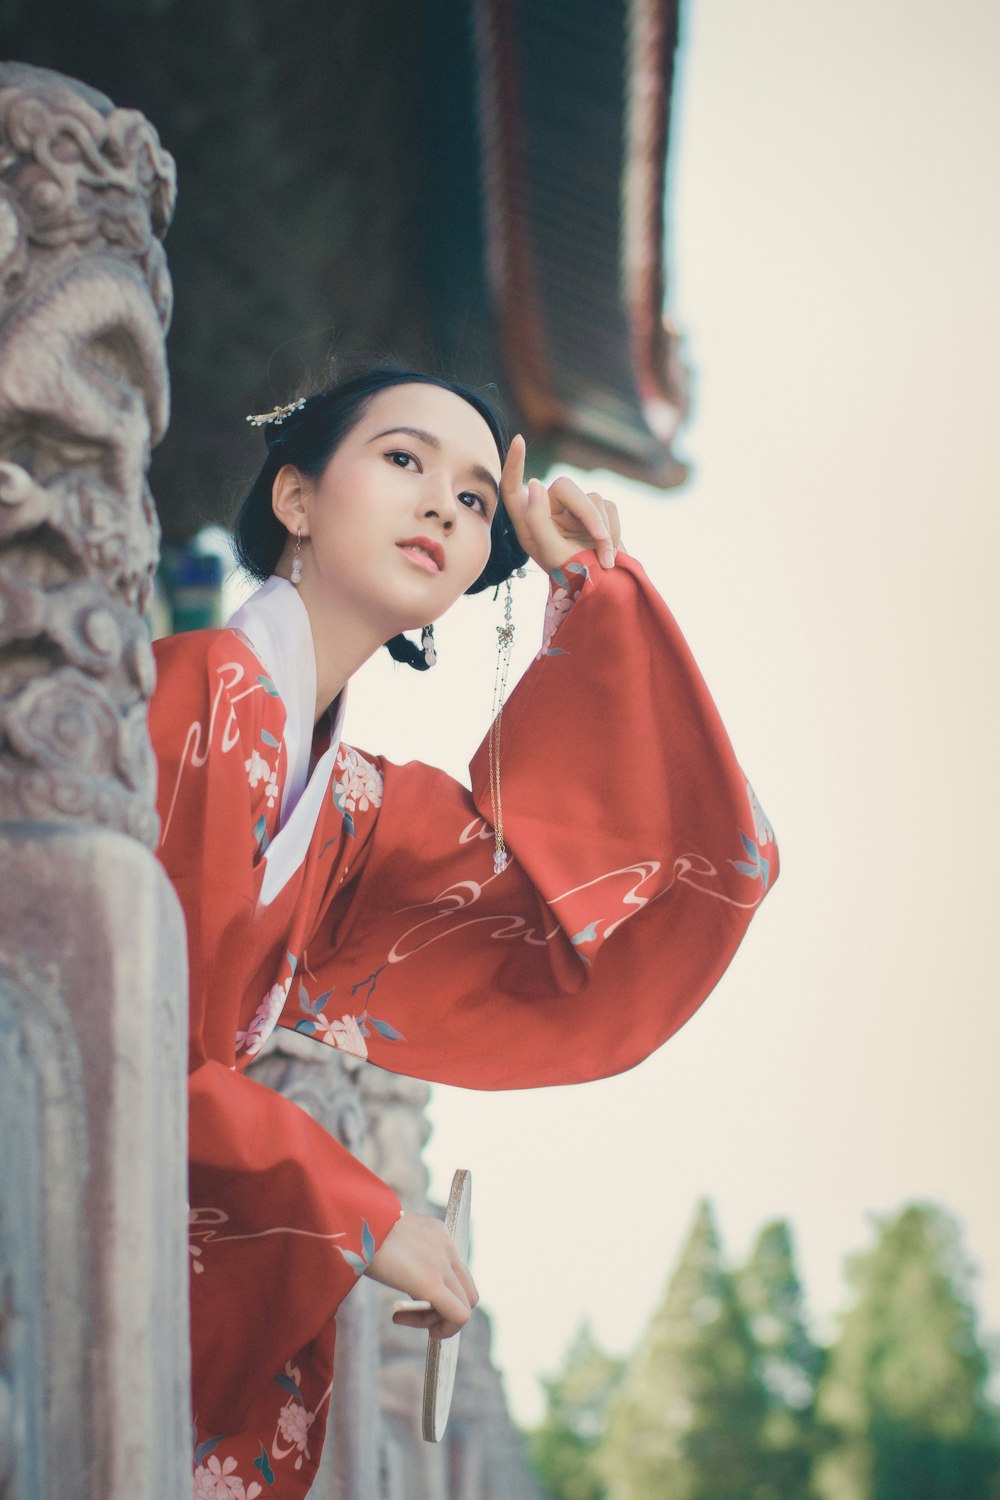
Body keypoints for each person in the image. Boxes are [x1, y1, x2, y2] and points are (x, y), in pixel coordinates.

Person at [150, 362, 778, 1498]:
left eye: (478, 498)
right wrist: (360, 1205)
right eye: (404, 461)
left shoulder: (350, 812)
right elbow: (118, 1042)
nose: (446, 504)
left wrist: (591, 589)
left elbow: (607, 905)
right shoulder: (186, 695)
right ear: (295, 498)